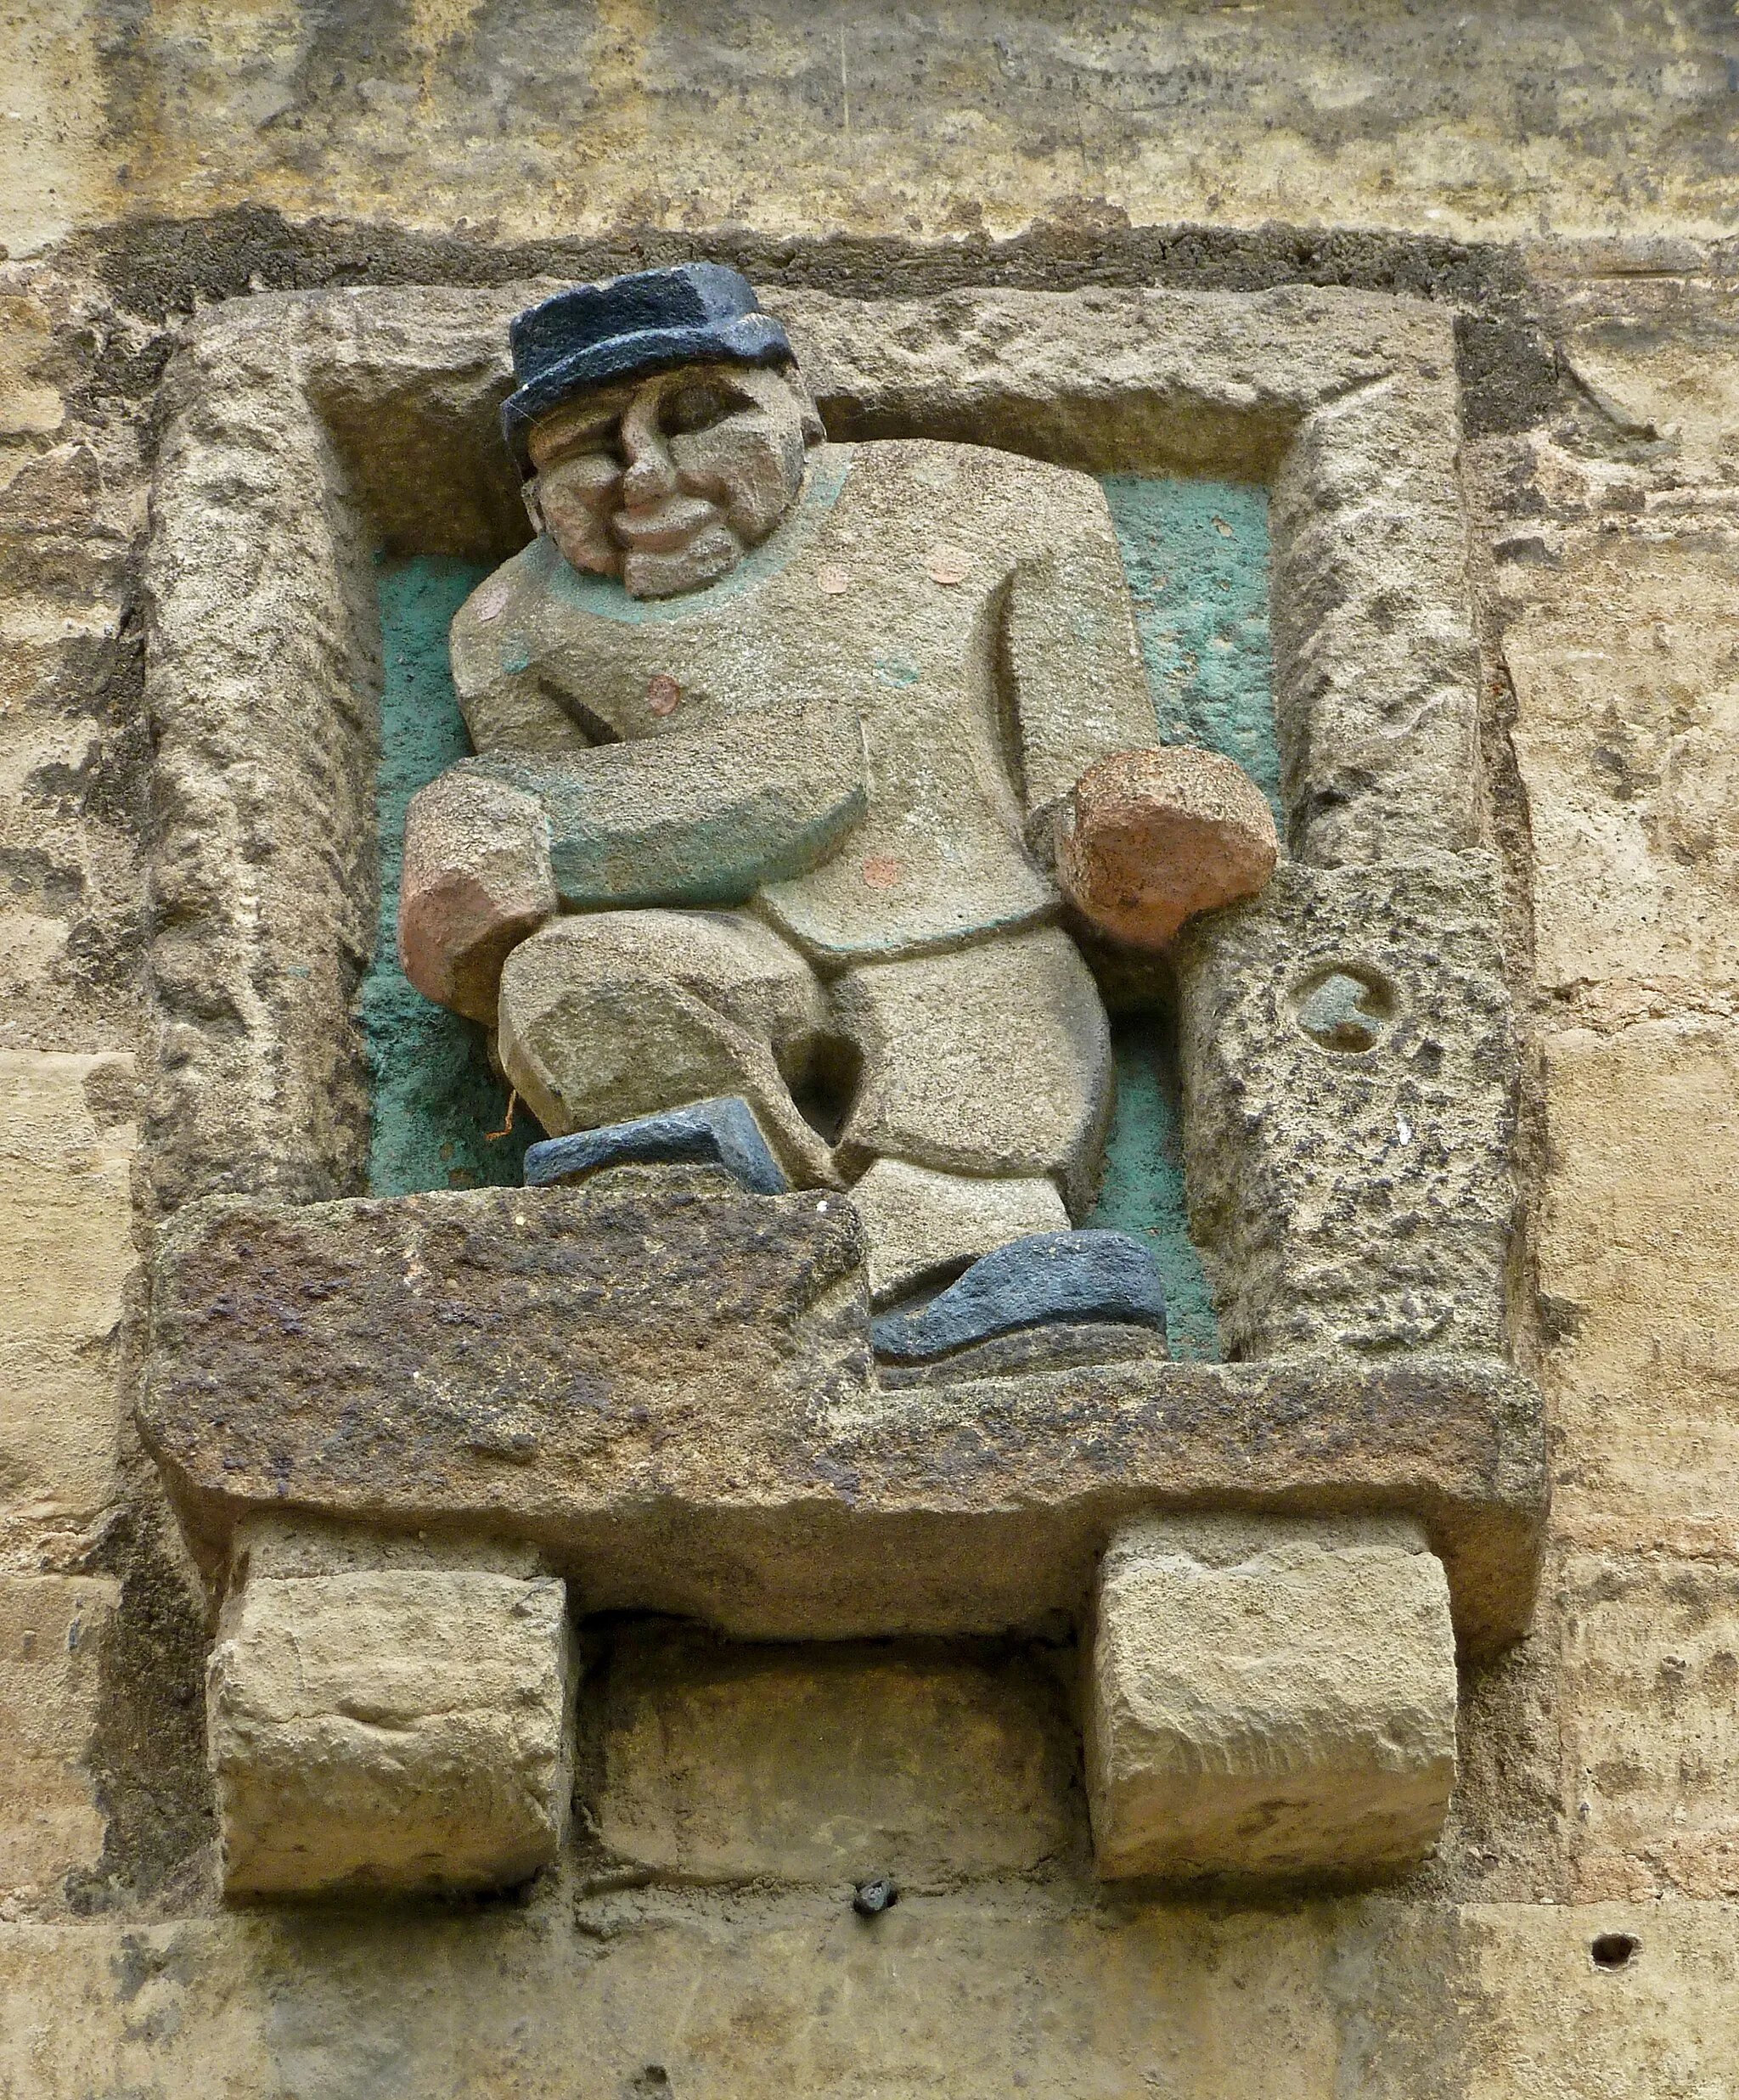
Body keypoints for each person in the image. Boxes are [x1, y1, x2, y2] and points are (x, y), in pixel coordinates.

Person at [400, 264, 1275, 1354]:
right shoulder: (513, 621)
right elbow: (540, 830)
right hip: (713, 931)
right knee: (576, 983)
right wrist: (494, 862)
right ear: (535, 492)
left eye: (697, 416)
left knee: (982, 1082)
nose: (644, 474)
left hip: (966, 916)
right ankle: (700, 1226)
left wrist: (1135, 834)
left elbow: (1080, 767)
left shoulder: (1000, 510)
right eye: (585, 447)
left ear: (794, 408)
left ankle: (955, 1280)